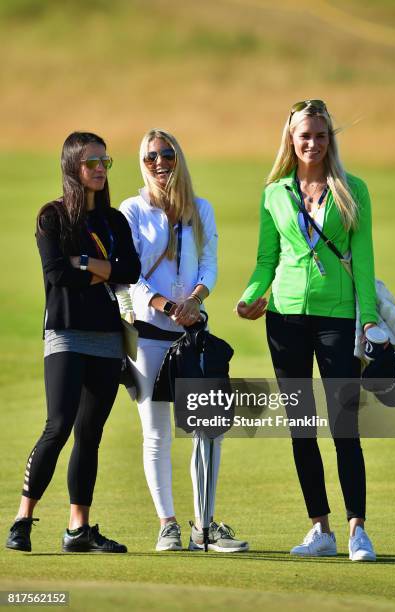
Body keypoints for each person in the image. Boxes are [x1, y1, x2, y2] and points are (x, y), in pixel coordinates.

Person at [237, 100, 378, 561]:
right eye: (305, 136)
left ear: (329, 138)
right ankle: (321, 528)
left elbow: (365, 258)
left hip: (337, 318)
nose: (313, 143)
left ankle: (357, 530)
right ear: (291, 141)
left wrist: (370, 316)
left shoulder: (352, 189)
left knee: (343, 426)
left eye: (320, 135)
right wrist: (250, 295)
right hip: (284, 319)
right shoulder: (273, 193)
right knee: (301, 428)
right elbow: (265, 260)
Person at [6, 132, 141, 553]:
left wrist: (83, 261)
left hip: (106, 339)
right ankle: (22, 519)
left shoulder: (115, 221)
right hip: (64, 333)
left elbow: (131, 271)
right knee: (58, 425)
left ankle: (77, 529)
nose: (100, 169)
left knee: (89, 434)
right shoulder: (51, 216)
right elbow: (56, 275)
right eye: (91, 162)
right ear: (72, 167)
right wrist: (104, 268)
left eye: (105, 161)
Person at [120, 128, 248, 552]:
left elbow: (209, 265)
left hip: (193, 335)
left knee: (207, 431)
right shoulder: (133, 210)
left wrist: (194, 299)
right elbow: (128, 275)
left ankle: (203, 528)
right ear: (143, 161)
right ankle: (168, 524)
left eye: (167, 154)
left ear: (179, 158)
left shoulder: (200, 209)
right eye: (152, 156)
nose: (160, 162)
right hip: (150, 335)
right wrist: (162, 303)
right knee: (156, 434)